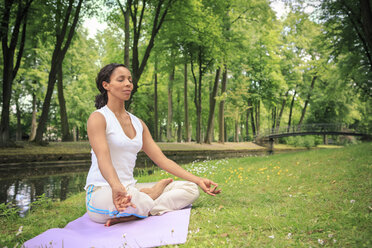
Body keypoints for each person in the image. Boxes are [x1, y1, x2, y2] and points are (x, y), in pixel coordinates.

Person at [85, 63, 221, 226]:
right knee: (133, 199)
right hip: (103, 191)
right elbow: (103, 157)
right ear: (106, 85)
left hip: (131, 189)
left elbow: (162, 160)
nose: (128, 83)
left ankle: (141, 210)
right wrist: (116, 185)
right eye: (121, 80)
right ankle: (148, 200)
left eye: (129, 79)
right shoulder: (98, 118)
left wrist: (198, 180)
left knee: (190, 189)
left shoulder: (138, 123)